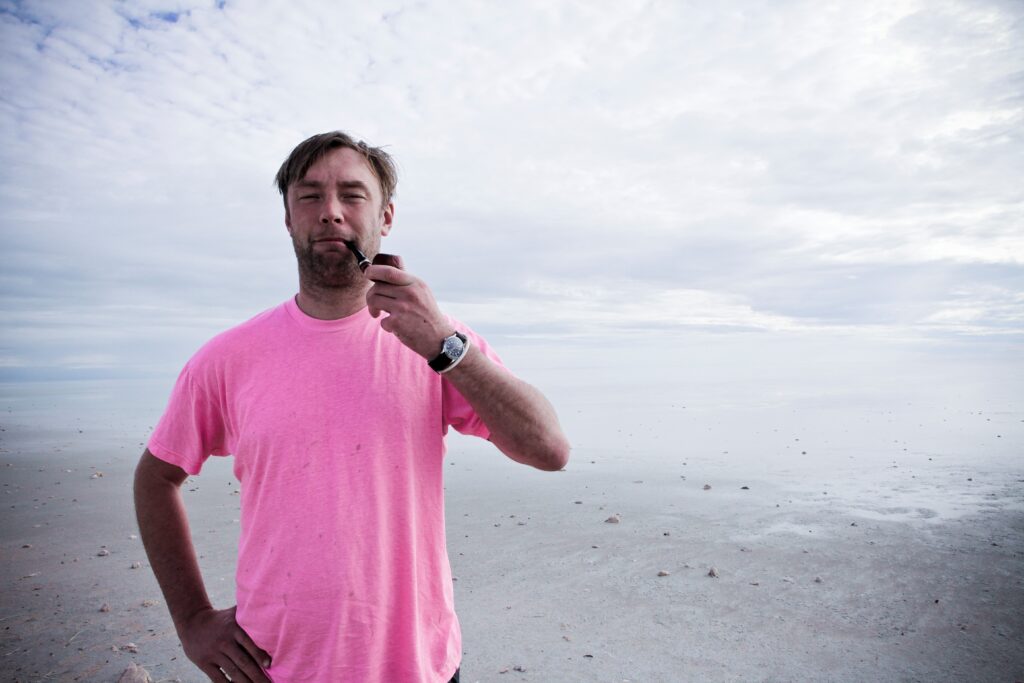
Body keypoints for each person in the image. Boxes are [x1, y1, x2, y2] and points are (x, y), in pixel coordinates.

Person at [133, 131, 571, 683]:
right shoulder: (227, 358)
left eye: (352, 195)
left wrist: (443, 344)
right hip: (275, 667)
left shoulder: (436, 339)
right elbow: (156, 478)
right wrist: (193, 619)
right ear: (288, 218)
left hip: (418, 667)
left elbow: (549, 449)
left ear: (385, 217)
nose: (331, 212)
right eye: (310, 196)